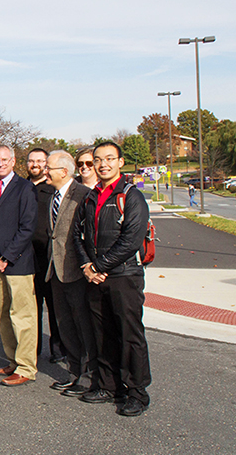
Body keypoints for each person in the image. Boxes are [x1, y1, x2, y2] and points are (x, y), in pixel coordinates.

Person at [73, 141, 152, 417]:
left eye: (109, 159)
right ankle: (109, 386)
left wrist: (100, 266)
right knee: (102, 333)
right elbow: (76, 235)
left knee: (130, 335)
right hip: (95, 277)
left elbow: (131, 240)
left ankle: (137, 392)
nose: (103, 164)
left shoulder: (131, 196)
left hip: (124, 276)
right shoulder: (90, 196)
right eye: (98, 160)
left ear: (120, 162)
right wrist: (86, 265)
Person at [0, 145, 39, 387]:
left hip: (18, 264)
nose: (0, 164)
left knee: (22, 316)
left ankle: (26, 367)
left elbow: (27, 228)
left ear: (14, 162)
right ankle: (12, 359)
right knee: (2, 315)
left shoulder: (25, 188)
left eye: (5, 160)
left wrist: (6, 258)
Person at [43, 150, 96, 397]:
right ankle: (74, 373)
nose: (45, 171)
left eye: (49, 168)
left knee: (82, 326)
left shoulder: (83, 196)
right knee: (65, 326)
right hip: (56, 271)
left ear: (64, 172)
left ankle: (87, 377)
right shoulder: (54, 195)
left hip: (76, 273)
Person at [29, 147, 65, 363]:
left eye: (40, 161)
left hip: (49, 258)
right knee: (31, 308)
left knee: (54, 307)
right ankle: (32, 349)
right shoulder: (21, 187)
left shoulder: (53, 190)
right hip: (27, 258)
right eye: (31, 161)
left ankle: (59, 350)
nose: (35, 164)